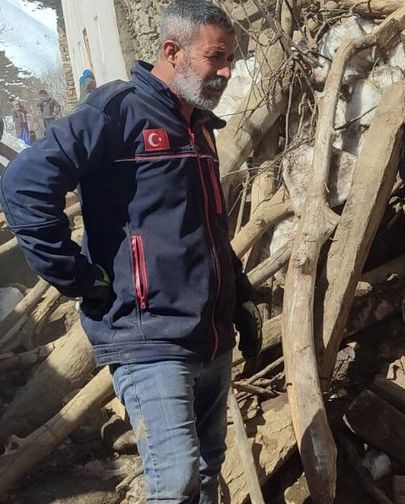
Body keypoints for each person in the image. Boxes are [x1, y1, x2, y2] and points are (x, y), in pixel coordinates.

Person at [0, 1, 262, 502]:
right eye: (216, 57)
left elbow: (207, 230)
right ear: (172, 51)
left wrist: (241, 298)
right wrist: (80, 278)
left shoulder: (200, 127)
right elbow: (24, 183)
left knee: (207, 472)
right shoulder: (117, 112)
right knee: (176, 481)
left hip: (209, 336)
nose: (227, 71)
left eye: (230, 58)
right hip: (148, 338)